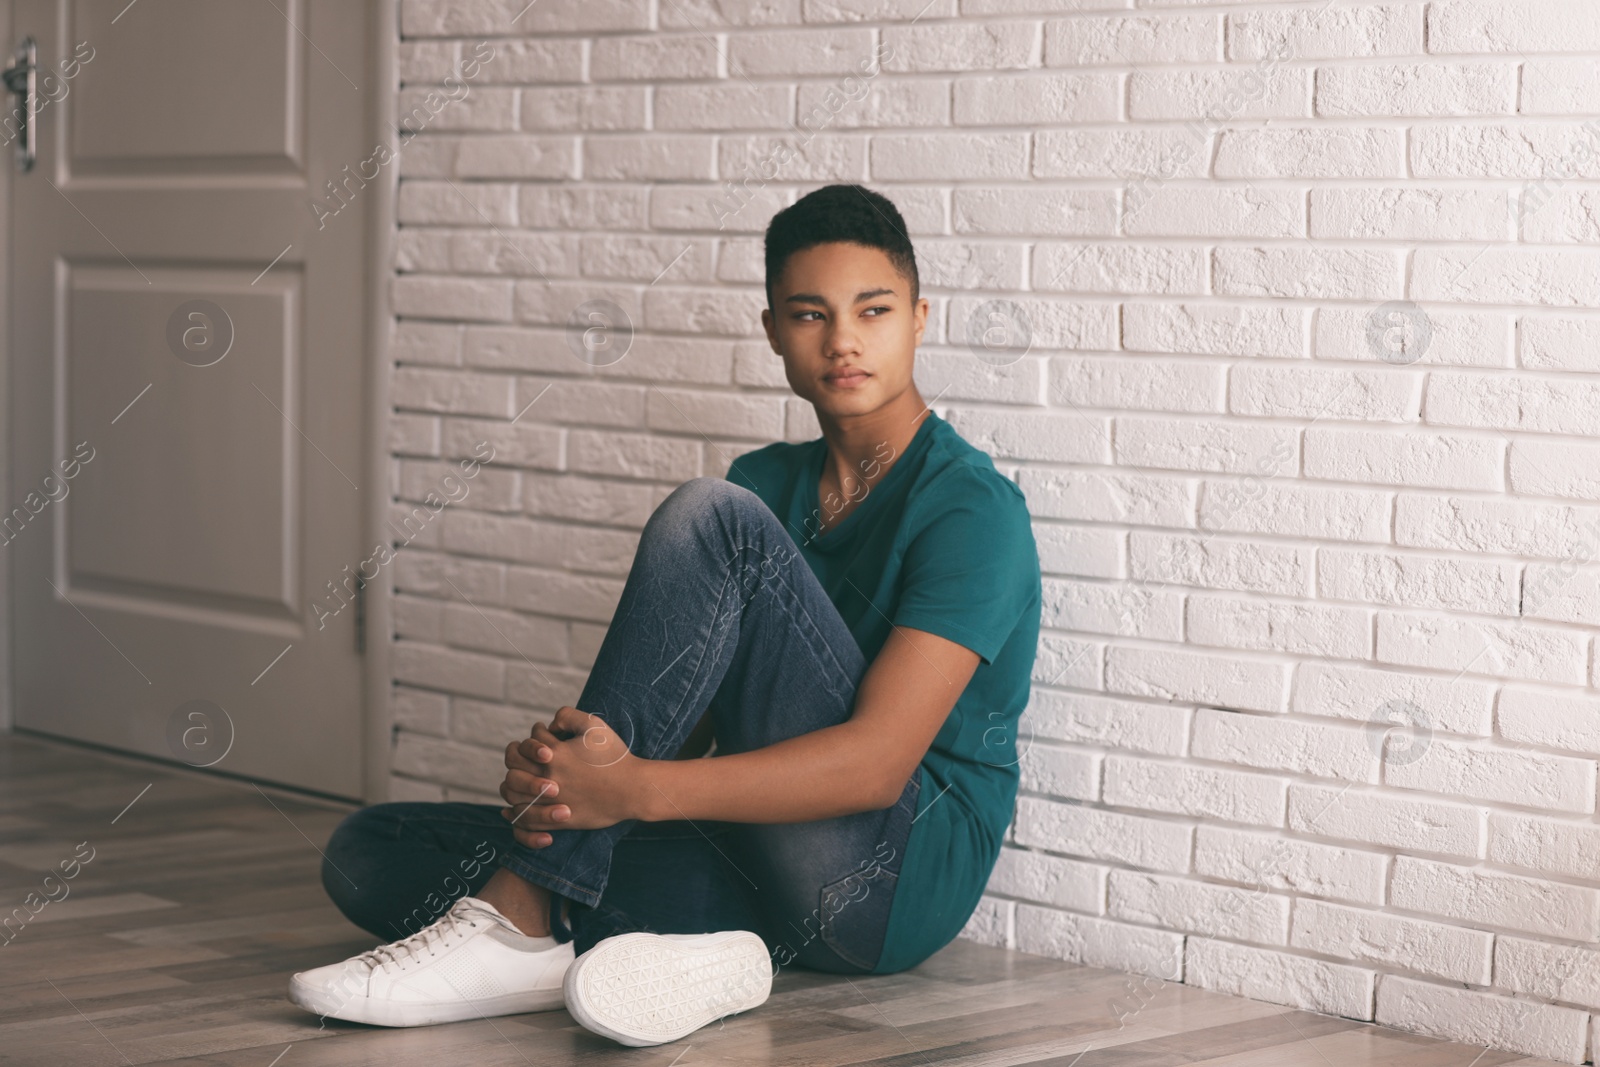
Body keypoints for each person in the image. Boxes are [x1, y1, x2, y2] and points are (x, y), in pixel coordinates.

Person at [287, 183, 1042, 1047]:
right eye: (809, 314)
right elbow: (689, 716)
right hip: (755, 854)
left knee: (708, 516)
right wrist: (569, 782)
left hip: (886, 876)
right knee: (373, 848)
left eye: (873, 310)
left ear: (918, 319)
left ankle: (527, 919)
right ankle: (721, 956)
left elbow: (875, 765)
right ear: (772, 333)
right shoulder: (772, 479)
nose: (842, 340)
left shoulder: (969, 508)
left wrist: (631, 791)